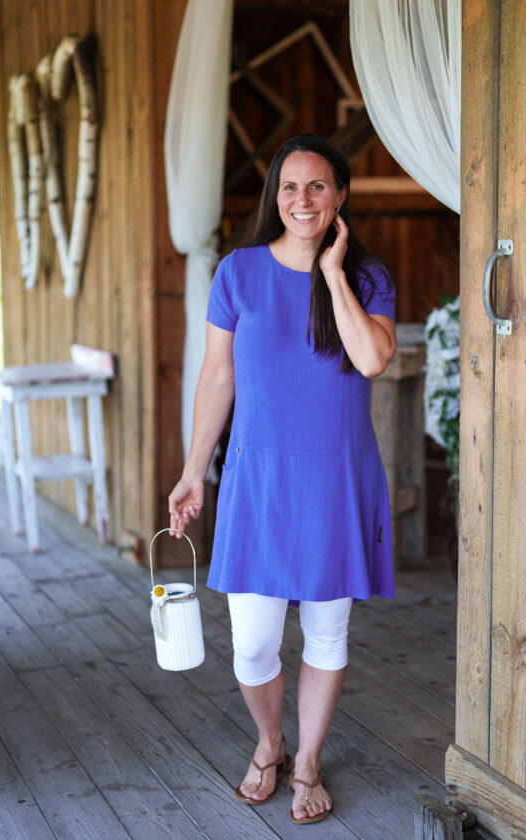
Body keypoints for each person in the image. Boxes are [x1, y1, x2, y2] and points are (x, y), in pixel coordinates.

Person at [168, 134, 397, 825]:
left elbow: (373, 360)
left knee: (327, 635)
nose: (303, 200)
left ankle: (306, 762)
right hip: (257, 479)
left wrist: (330, 274)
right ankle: (269, 741)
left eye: (318, 187)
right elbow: (218, 377)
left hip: (336, 478)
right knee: (253, 643)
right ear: (275, 196)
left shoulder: (366, 277)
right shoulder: (237, 273)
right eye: (290, 187)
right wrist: (192, 471)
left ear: (340, 198)